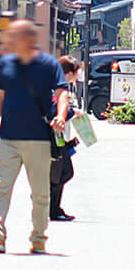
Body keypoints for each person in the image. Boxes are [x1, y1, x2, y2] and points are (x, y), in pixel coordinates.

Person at [0, 20, 68, 255]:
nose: (9, 41)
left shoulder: (48, 64)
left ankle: (38, 236)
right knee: (1, 188)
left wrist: (60, 115)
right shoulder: (7, 63)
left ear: (29, 39)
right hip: (8, 136)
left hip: (38, 138)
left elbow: (62, 92)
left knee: (40, 191)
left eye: (14, 37)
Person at [50, 54, 85, 222]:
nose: (77, 77)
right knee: (63, 172)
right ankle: (51, 206)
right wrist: (72, 113)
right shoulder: (55, 87)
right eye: (75, 73)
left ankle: (54, 207)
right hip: (54, 136)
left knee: (60, 172)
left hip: (61, 136)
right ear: (68, 73)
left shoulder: (63, 87)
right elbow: (52, 110)